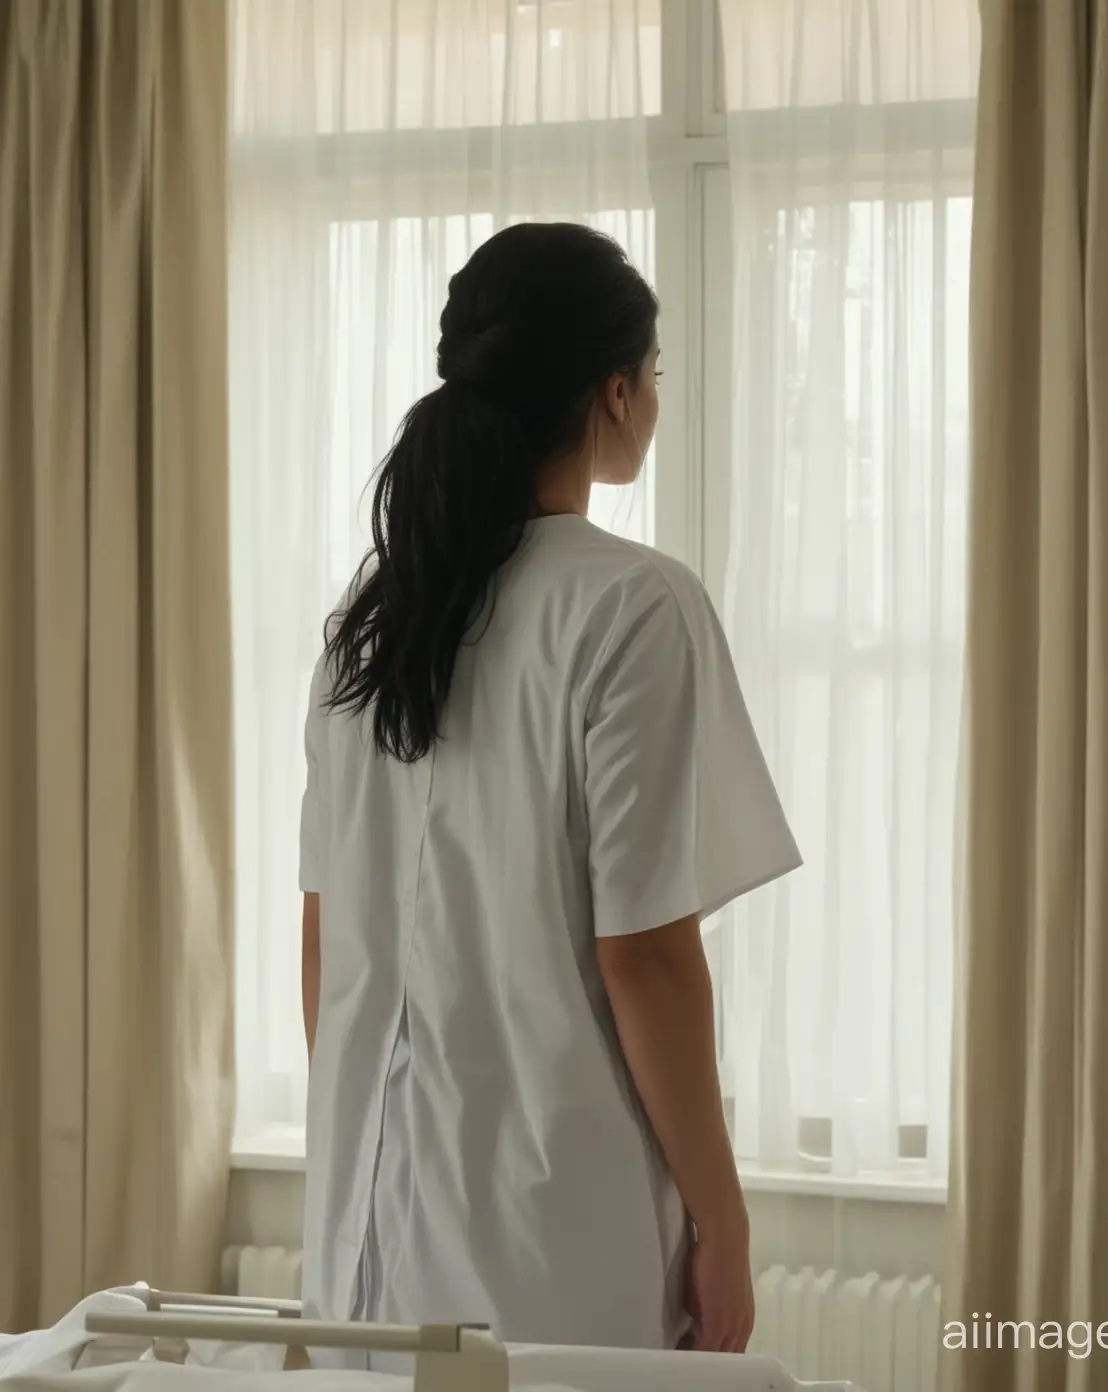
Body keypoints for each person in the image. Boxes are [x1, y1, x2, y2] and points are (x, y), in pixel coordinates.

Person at [297, 222, 801, 1369]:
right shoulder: (632, 608)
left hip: (363, 1225)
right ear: (615, 392)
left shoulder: (366, 630)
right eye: (655, 376)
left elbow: (328, 949)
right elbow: (648, 957)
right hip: (556, 1226)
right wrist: (721, 1221)